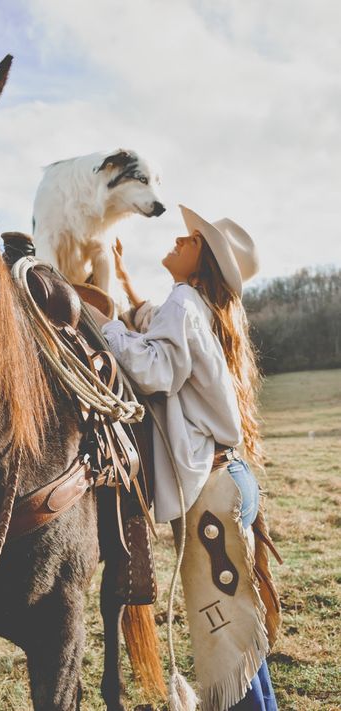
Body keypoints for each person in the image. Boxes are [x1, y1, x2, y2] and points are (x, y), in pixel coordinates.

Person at [91, 205, 280, 711]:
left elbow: (156, 369)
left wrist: (108, 329)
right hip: (231, 477)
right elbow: (157, 328)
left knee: (222, 644)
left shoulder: (185, 301)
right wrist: (125, 282)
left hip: (211, 497)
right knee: (240, 630)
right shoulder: (196, 306)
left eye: (192, 238)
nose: (180, 236)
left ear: (204, 264)